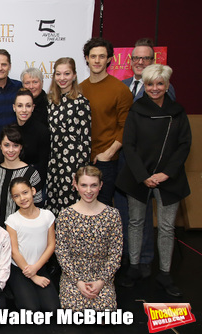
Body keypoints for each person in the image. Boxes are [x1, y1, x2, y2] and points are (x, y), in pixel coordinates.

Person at [116, 64, 191, 297]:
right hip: (140, 177)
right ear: (144, 86)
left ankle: (165, 273)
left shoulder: (177, 112)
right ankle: (135, 267)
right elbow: (129, 145)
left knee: (167, 228)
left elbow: (184, 145)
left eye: (160, 84)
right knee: (136, 222)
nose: (155, 88)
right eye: (150, 84)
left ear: (167, 85)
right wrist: (144, 176)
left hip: (170, 177)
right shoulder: (136, 110)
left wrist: (166, 173)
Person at [116, 38, 176, 279]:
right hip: (126, 160)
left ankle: (146, 260)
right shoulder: (123, 85)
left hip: (152, 165)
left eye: (146, 58)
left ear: (154, 61)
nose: (140, 62)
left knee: (147, 213)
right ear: (130, 61)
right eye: (136, 58)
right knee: (128, 214)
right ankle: (129, 259)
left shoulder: (162, 87)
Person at [55, 166, 122, 311]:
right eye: (84, 185)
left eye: (93, 185)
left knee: (105, 314)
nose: (88, 191)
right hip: (73, 276)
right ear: (76, 185)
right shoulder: (65, 215)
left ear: (101, 186)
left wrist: (101, 281)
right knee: (74, 312)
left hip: (102, 276)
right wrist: (78, 281)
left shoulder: (112, 215)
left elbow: (116, 254)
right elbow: (62, 252)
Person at [80, 37, 132, 206]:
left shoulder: (120, 90)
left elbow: (126, 127)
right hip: (82, 159)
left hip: (106, 161)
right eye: (93, 56)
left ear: (109, 59)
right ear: (86, 58)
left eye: (102, 56)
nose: (97, 60)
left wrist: (109, 154)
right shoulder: (79, 89)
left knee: (102, 208)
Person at [6, 178, 59, 311]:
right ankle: (14, 290)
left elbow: (51, 245)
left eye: (25, 192)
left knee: (52, 308)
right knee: (31, 309)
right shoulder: (12, 220)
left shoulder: (47, 216)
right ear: (13, 199)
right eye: (16, 196)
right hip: (19, 268)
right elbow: (14, 251)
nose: (22, 198)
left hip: (39, 266)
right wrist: (33, 276)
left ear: (33, 191)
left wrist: (36, 268)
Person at [46, 57, 91, 216]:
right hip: (53, 162)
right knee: (52, 206)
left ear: (74, 75)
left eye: (66, 73)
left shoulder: (81, 102)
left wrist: (80, 173)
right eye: (58, 74)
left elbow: (85, 140)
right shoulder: (51, 100)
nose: (62, 78)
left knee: (70, 208)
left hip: (72, 164)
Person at [0, 125, 43, 226]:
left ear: (21, 146)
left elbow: (38, 206)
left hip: (24, 231)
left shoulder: (32, 174)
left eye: (15, 145)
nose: (11, 150)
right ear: (0, 145)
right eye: (7, 145)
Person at [13, 88, 50, 182]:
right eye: (20, 106)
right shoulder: (9, 130)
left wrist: (35, 188)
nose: (24, 110)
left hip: (34, 181)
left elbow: (43, 165)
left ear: (33, 108)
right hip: (13, 180)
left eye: (28, 106)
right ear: (14, 107)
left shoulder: (42, 131)